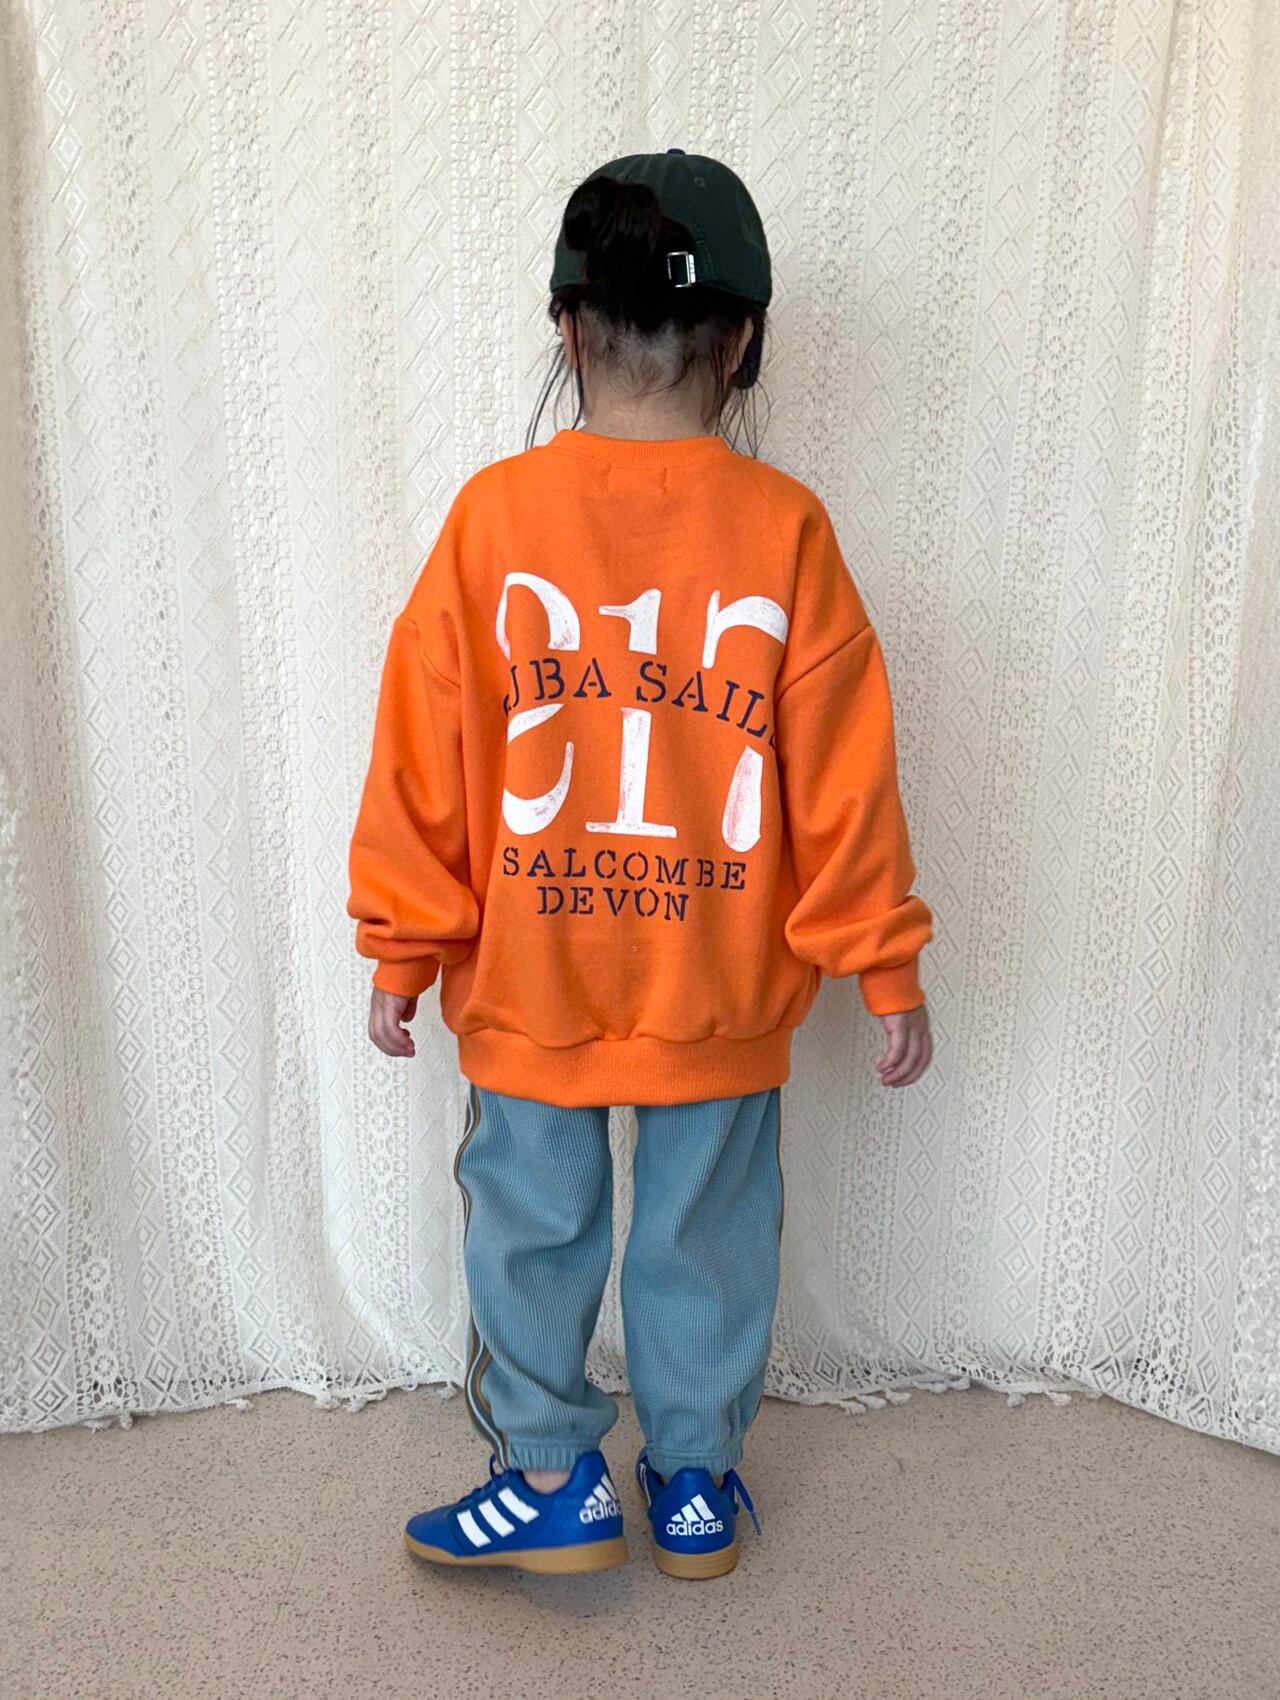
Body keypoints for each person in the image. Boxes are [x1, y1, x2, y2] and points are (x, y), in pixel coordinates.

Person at [347, 149, 933, 1581]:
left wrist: (404, 943)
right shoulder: (786, 530)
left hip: (532, 973)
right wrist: (884, 964)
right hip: (718, 980)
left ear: (567, 329)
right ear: (742, 341)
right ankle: (692, 1486)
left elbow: (426, 747)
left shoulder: (493, 520)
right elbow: (843, 774)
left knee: (528, 1226)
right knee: (706, 1233)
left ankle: (552, 1478)